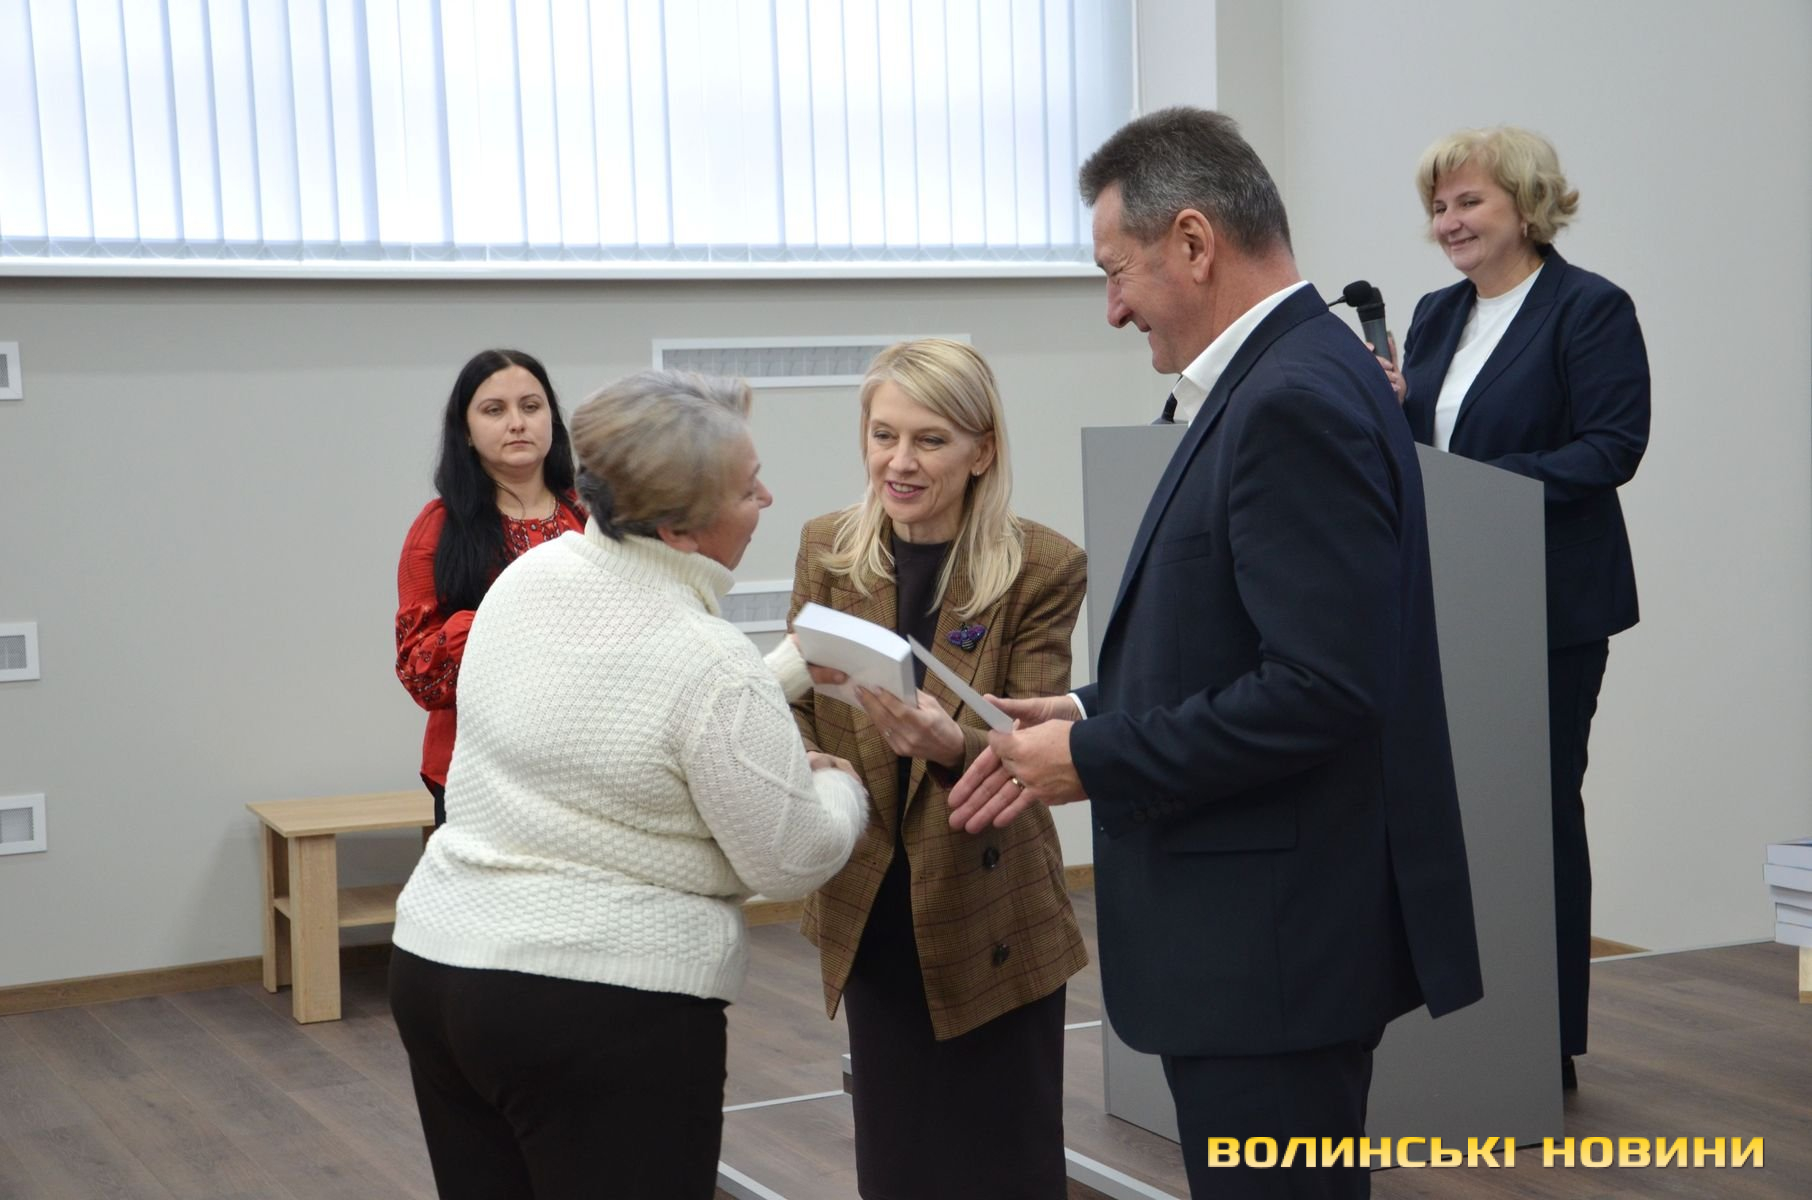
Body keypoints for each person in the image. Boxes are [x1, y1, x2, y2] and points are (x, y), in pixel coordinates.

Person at [948, 107, 1483, 1199]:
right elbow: (1240, 644)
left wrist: (1094, 761)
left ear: (1193, 242)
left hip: (1270, 950)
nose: (1112, 309)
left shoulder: (1291, 397)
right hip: (1264, 942)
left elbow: (1321, 687)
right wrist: (1089, 712)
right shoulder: (1292, 373)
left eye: (1116, 272)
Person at [388, 371, 867, 1200]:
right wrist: (841, 790)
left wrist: (786, 669)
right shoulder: (707, 658)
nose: (767, 498)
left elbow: (622, 726)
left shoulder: (528, 581)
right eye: (748, 487)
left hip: (440, 972)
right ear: (679, 527)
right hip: (598, 1009)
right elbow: (790, 857)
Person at [788, 338, 1088, 1199]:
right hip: (874, 905)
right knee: (898, 1165)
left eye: (930, 440)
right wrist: (801, 754)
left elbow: (1034, 738)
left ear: (981, 451)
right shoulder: (828, 548)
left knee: (1008, 1166)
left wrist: (951, 746)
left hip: (988, 908)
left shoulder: (1040, 565)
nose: (900, 462)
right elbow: (797, 695)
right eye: (884, 435)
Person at [1388, 127, 1650, 1093]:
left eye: (1469, 202)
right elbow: (1422, 450)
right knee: (1453, 812)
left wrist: (1481, 487)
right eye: (1439, 207)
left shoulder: (1589, 308)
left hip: (1548, 607)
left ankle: (1546, 1036)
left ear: (1527, 205)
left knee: (1536, 812)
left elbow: (1612, 447)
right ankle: (1461, 1027)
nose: (1449, 222)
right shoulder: (1434, 314)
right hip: (1446, 601)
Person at [394, 349, 586, 826]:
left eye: (531, 406)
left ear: (552, 419)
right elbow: (420, 674)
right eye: (494, 410)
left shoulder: (591, 516)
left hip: (586, 762)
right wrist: (504, 617)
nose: (517, 423)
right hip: (478, 772)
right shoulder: (439, 528)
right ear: (465, 430)